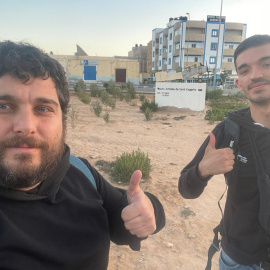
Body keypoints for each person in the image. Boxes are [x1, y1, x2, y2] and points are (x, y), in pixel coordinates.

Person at [0, 41, 165, 270]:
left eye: (43, 109)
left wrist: (148, 211)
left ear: (63, 121)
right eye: (5, 106)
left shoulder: (78, 170)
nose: (26, 126)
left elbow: (123, 216)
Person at [179, 34, 270, 270]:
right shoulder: (228, 132)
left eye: (266, 64)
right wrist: (202, 170)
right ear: (239, 83)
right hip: (239, 261)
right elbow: (185, 188)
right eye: (244, 70)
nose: (256, 75)